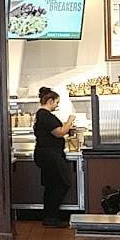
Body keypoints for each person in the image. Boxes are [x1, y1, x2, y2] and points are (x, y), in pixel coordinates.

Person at [34, 87, 75, 227]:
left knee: (51, 186)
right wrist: (70, 120)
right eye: (56, 102)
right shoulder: (45, 115)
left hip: (46, 154)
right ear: (50, 101)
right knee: (61, 184)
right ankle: (51, 217)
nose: (57, 105)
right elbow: (59, 132)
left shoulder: (42, 115)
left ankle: (49, 216)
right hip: (50, 155)